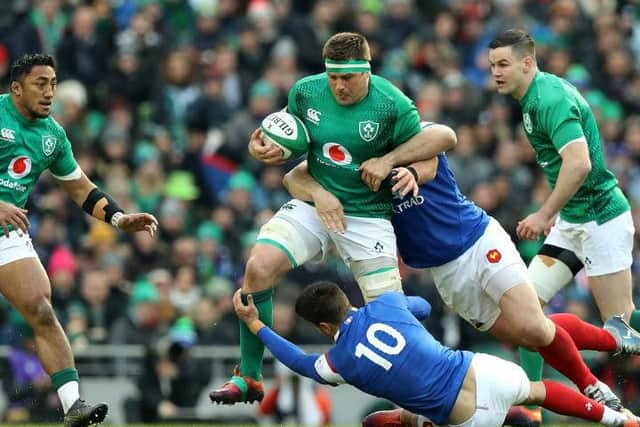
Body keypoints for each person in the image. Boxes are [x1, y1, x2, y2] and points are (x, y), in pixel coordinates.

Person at [282, 121, 640, 421]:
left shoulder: (412, 134)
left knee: (534, 326)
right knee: (523, 334)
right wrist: (321, 192)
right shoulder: (347, 162)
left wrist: (401, 167)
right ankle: (616, 340)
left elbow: (443, 142)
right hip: (445, 271)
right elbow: (293, 179)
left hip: (477, 238)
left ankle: (593, 385)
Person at [209, 32, 455, 405]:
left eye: (348, 78)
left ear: (366, 72)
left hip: (368, 216)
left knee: (394, 325)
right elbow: (286, 143)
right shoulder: (306, 91)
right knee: (258, 267)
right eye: (333, 77)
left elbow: (435, 152)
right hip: (315, 202)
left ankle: (423, 402)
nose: (338, 86)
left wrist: (403, 168)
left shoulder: (391, 105)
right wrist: (262, 149)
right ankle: (250, 377)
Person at [488, 28, 640, 423]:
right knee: (525, 310)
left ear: (527, 63)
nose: (496, 73)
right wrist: (558, 213)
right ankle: (532, 408)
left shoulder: (549, 99)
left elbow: (580, 163)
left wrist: (543, 213)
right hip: (574, 222)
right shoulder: (532, 97)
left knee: (622, 334)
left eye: (503, 64)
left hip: (601, 221)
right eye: (491, 66)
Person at [233, 282, 640, 427]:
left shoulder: (338, 363)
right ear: (345, 299)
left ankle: (419, 422)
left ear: (323, 327)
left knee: (378, 421)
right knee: (538, 391)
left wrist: (257, 326)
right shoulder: (389, 305)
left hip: (462, 418)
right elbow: (423, 309)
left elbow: (300, 363)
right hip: (478, 370)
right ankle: (617, 420)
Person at [0, 53, 158, 427]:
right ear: (16, 89)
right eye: (41, 83)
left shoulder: (53, 136)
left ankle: (73, 406)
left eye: (53, 84)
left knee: (41, 308)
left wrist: (119, 218)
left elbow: (80, 188)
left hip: (7, 234)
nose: (50, 92)